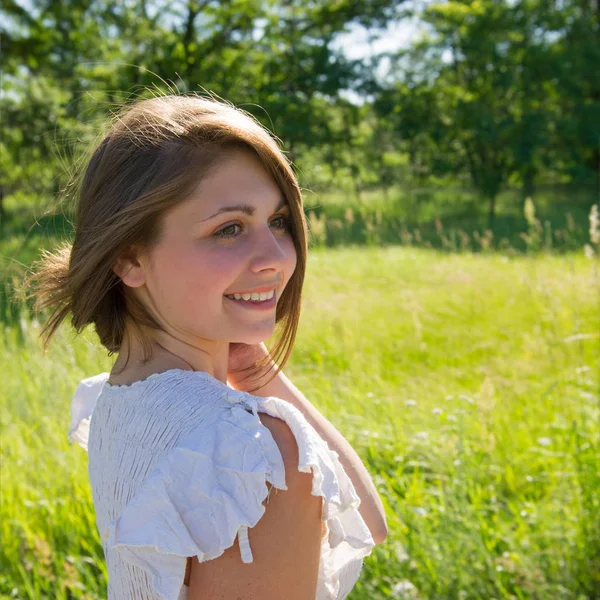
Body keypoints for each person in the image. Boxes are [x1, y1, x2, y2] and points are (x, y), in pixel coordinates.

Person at [30, 94, 387, 600]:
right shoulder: (247, 451)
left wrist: (257, 370)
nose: (275, 258)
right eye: (230, 229)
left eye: (279, 221)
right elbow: (367, 525)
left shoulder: (121, 398)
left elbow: (364, 523)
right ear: (130, 258)